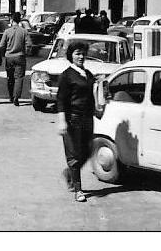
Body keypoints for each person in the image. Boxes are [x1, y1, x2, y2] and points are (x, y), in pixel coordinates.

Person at [55, 42, 96, 202]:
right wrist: (61, 121)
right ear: (71, 55)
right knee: (73, 155)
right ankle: (78, 190)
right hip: (72, 119)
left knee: (87, 151)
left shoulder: (88, 73)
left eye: (83, 53)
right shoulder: (67, 75)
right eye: (77, 53)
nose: (81, 56)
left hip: (87, 118)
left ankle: (69, 173)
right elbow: (60, 100)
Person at [0, 11, 30, 106]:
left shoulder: (7, 31)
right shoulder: (24, 31)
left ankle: (11, 97)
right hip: (20, 57)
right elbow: (29, 45)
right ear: (19, 20)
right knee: (19, 78)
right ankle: (16, 98)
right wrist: (25, 53)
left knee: (10, 78)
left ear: (11, 20)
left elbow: (1, 45)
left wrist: (3, 54)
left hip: (9, 57)